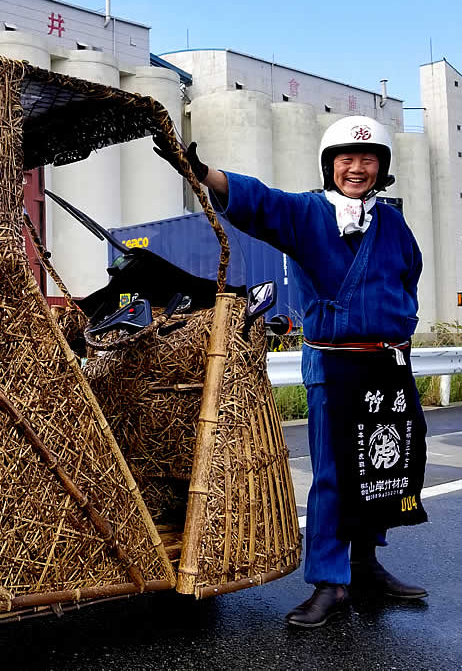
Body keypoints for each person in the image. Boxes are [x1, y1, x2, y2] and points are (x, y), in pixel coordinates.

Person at [179, 116, 429, 628]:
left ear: (382, 168)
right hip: (336, 363)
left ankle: (364, 565)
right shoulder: (308, 213)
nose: (356, 168)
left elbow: (411, 275)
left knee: (381, 469)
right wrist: (205, 173)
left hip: (387, 362)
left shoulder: (394, 223)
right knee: (336, 474)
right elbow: (263, 201)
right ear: (329, 165)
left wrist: (400, 319)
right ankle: (330, 583)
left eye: (367, 159)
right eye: (346, 159)